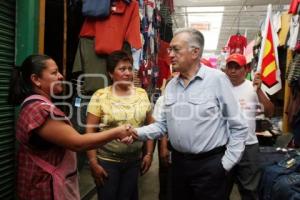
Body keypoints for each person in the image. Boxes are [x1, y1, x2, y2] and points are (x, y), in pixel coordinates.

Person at [132, 28, 248, 200]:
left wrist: (225, 165)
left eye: (175, 49)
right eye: (170, 49)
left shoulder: (217, 80)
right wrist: (135, 132)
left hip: (210, 166)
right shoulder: (171, 86)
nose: (170, 54)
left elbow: (239, 127)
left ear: (195, 52)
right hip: (178, 165)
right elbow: (163, 125)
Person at [9, 54, 133, 200]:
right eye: (54, 73)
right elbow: (78, 143)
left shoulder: (38, 105)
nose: (61, 76)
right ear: (36, 79)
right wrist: (117, 132)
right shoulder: (39, 110)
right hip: (44, 190)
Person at [85, 50, 154, 200]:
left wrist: (148, 154)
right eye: (122, 69)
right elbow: (90, 131)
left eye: (129, 68)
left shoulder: (142, 94)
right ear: (111, 73)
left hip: (134, 162)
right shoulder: (100, 96)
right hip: (107, 163)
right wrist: (93, 162)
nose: (128, 73)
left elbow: (150, 126)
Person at [224, 53, 274, 200]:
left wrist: (258, 90)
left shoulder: (252, 88)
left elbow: (270, 112)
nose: (233, 71)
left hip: (248, 146)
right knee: (220, 189)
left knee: (250, 191)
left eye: (237, 67)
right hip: (225, 145)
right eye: (230, 67)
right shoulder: (220, 87)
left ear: (245, 69)